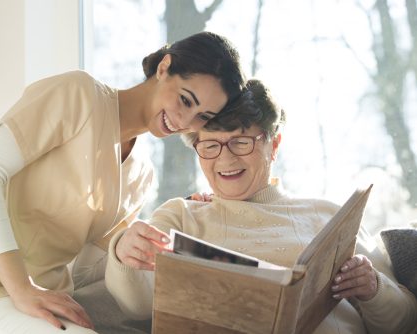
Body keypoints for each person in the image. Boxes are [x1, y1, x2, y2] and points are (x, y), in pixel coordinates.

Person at [0, 31, 247, 334]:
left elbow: (86, 275)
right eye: (186, 100)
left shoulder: (141, 174)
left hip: (37, 299)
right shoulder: (78, 94)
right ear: (164, 68)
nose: (185, 120)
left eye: (203, 116)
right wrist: (22, 288)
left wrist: (178, 226)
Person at [105, 79, 417, 333]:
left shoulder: (329, 215)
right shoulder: (181, 216)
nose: (225, 160)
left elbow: (403, 322)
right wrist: (123, 251)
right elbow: (135, 305)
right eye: (210, 145)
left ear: (273, 144)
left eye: (241, 142)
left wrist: (373, 287)